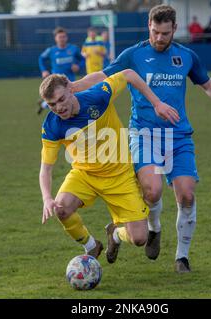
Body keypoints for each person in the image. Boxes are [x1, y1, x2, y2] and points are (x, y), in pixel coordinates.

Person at [71, 4, 211, 273]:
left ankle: (182, 257)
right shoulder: (134, 55)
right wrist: (72, 87)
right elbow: (102, 75)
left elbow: (208, 84)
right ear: (149, 27)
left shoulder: (186, 56)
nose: (159, 38)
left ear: (174, 29)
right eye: (155, 32)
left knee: (187, 195)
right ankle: (154, 229)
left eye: (165, 33)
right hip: (144, 134)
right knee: (152, 191)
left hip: (178, 137)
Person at [39, 69, 179, 263]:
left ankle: (115, 234)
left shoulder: (98, 96)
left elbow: (128, 74)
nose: (59, 108)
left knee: (139, 238)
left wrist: (157, 103)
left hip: (120, 176)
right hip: (84, 175)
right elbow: (46, 168)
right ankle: (91, 246)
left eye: (61, 99)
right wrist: (47, 198)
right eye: (52, 104)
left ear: (71, 90)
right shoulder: (52, 126)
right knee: (60, 208)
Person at [37, 27, 84, 114]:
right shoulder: (51, 50)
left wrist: (78, 66)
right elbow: (41, 58)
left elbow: (82, 59)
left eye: (64, 36)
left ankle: (43, 105)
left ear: (66, 37)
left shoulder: (73, 48)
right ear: (55, 38)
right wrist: (44, 70)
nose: (62, 39)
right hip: (56, 82)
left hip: (70, 80)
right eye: (60, 37)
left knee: (72, 99)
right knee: (58, 100)